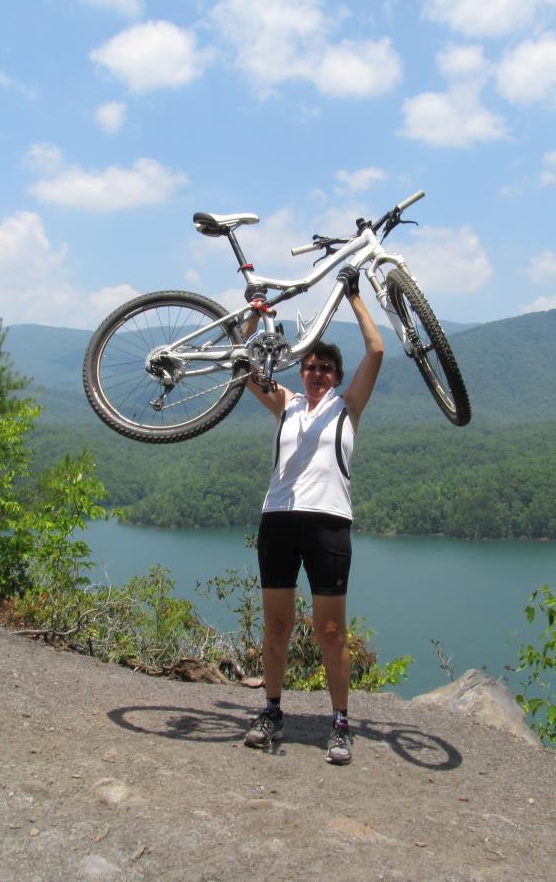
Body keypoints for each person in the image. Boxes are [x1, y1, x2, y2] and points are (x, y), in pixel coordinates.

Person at [242, 265, 384, 765]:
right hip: (278, 520)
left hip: (328, 523)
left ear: (338, 377)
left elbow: (377, 351)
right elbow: (240, 369)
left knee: (330, 631)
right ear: (301, 371)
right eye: (311, 365)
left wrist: (353, 297)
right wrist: (252, 318)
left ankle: (340, 722)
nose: (317, 372)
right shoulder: (286, 404)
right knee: (276, 626)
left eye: (326, 367)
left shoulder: (348, 407)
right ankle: (272, 710)